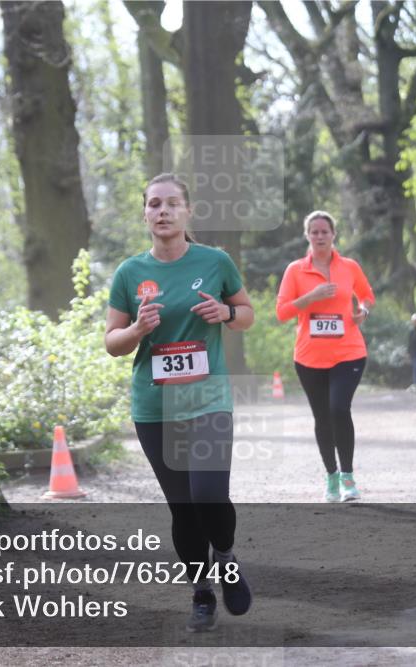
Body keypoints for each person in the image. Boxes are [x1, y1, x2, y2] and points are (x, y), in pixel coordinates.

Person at [105, 173, 254, 632]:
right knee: (183, 508)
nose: (163, 211)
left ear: (188, 211)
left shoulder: (216, 261)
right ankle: (201, 593)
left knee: (209, 495)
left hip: (208, 400)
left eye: (172, 203)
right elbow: (112, 343)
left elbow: (247, 314)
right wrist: (136, 330)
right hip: (155, 408)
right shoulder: (129, 273)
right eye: (154, 204)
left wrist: (226, 312)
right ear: (145, 214)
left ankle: (225, 557)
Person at [276, 211, 375, 503]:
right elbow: (282, 312)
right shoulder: (296, 270)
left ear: (333, 235)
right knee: (322, 417)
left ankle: (348, 478)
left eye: (324, 231)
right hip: (309, 357)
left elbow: (366, 295)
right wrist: (311, 297)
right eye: (314, 232)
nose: (320, 236)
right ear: (307, 236)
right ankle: (331, 477)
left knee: (339, 409)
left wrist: (363, 310)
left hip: (349, 352)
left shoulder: (349, 267)